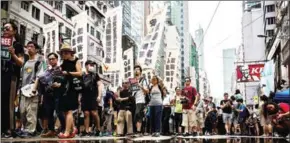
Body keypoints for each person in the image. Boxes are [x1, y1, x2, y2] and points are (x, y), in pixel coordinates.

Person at [1, 21, 25, 138]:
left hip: (11, 77)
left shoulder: (18, 45)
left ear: (14, 31)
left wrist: (13, 54)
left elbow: (21, 63)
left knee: (8, 103)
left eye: (7, 29)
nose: (5, 31)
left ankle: (9, 129)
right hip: (1, 75)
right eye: (4, 29)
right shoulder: (1, 44)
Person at [18, 41, 46, 138]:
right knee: (22, 111)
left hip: (32, 90)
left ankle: (31, 130)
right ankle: (25, 128)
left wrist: (34, 88)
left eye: (31, 46)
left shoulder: (39, 62)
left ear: (36, 49)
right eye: (27, 46)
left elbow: (39, 76)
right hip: (23, 90)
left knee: (31, 111)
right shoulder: (25, 62)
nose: (29, 48)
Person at [57, 43, 82, 138]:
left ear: (70, 53)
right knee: (64, 110)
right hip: (64, 88)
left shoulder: (76, 61)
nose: (63, 55)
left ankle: (67, 132)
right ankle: (72, 129)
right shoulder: (63, 64)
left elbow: (80, 73)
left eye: (65, 53)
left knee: (69, 111)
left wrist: (68, 73)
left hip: (72, 88)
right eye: (62, 53)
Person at [38, 53, 65, 138]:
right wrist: (42, 95)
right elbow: (42, 83)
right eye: (49, 59)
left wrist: (60, 85)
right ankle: (51, 130)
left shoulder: (61, 70)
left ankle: (64, 129)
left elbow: (66, 81)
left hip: (58, 94)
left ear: (57, 59)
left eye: (53, 59)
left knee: (59, 112)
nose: (51, 60)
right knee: (48, 113)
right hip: (47, 94)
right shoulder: (46, 71)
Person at [80, 60, 103, 137]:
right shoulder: (82, 75)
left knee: (94, 113)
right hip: (84, 97)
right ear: (86, 65)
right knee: (86, 113)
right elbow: (79, 87)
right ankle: (86, 131)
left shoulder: (95, 75)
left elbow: (100, 85)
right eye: (90, 64)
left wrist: (99, 96)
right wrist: (79, 97)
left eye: (93, 65)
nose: (92, 66)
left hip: (93, 96)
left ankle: (98, 129)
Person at [133, 65, 149, 137]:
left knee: (138, 115)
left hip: (141, 100)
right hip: (135, 100)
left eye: (138, 69)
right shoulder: (133, 80)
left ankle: (138, 132)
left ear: (140, 71)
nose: (136, 70)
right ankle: (139, 131)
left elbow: (147, 91)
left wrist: (140, 86)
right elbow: (132, 91)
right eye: (135, 69)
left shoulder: (143, 80)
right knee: (136, 116)